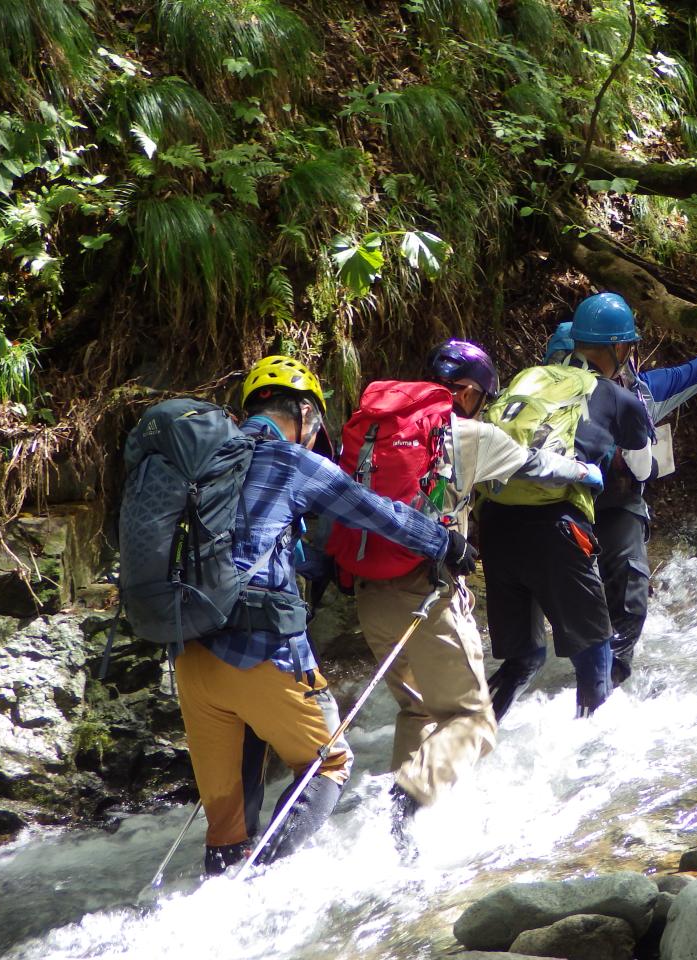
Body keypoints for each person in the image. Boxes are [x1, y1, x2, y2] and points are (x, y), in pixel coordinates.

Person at [173, 355, 475, 874]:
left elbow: (252, 549)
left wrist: (322, 564)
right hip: (261, 652)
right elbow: (375, 511)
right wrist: (443, 541)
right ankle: (263, 883)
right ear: (307, 413)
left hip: (192, 658)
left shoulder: (208, 463)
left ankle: (225, 897)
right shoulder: (290, 461)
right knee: (328, 764)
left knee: (226, 830)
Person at [346, 341, 603, 847]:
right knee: (473, 720)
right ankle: (406, 799)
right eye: (482, 397)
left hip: (368, 590)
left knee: (419, 711)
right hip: (426, 593)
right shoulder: (470, 434)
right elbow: (537, 465)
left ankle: (398, 844)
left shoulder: (380, 429)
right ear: (466, 392)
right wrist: (586, 473)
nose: (482, 406)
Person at [543, 297, 697, 684]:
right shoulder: (542, 399)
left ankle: (611, 675)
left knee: (627, 587)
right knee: (587, 599)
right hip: (557, 511)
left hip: (612, 508)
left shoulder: (643, 392)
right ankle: (590, 673)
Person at [480, 293, 654, 721]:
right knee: (593, 654)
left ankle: (455, 754)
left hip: (495, 526)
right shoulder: (616, 396)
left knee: (524, 660)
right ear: (619, 348)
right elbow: (642, 466)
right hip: (558, 530)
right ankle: (591, 767)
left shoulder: (531, 377)